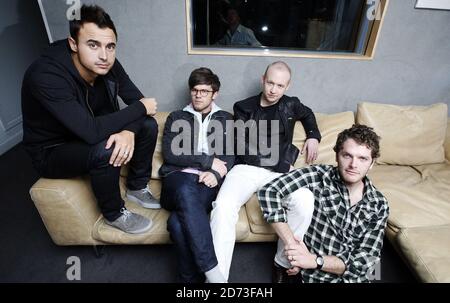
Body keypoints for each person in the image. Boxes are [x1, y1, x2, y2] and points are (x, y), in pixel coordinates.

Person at [21, 5, 160, 235]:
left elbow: (141, 106)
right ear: (73, 44)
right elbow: (95, 131)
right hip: (52, 150)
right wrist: (140, 109)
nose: (104, 55)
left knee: (147, 125)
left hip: (88, 132)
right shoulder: (45, 75)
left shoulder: (108, 65)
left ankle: (137, 187)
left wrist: (128, 132)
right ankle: (114, 213)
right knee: (105, 148)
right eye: (93, 45)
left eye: (110, 46)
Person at [209, 61, 322, 281]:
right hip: (247, 168)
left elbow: (308, 115)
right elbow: (243, 146)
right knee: (222, 207)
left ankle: (283, 262)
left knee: (305, 200)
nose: (273, 90)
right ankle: (217, 279)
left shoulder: (291, 104)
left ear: (287, 87)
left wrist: (313, 136)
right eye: (270, 83)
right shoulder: (243, 106)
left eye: (280, 86)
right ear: (263, 80)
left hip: (278, 175)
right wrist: (281, 163)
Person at [258, 124, 390, 283]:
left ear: (372, 163)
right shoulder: (317, 176)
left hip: (353, 278)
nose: (353, 165)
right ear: (337, 156)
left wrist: (314, 260)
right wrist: (292, 245)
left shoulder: (379, 204)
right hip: (313, 277)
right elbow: (269, 191)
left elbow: (367, 264)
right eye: (347, 155)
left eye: (362, 158)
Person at [159, 68, 234, 283]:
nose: (198, 95)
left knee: (176, 224)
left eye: (204, 91)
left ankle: (188, 282)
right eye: (194, 90)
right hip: (176, 179)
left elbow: (230, 155)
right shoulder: (176, 117)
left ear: (215, 94)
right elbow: (171, 153)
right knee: (184, 188)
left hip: (206, 183)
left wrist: (216, 176)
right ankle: (213, 272)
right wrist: (209, 162)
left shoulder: (226, 119)